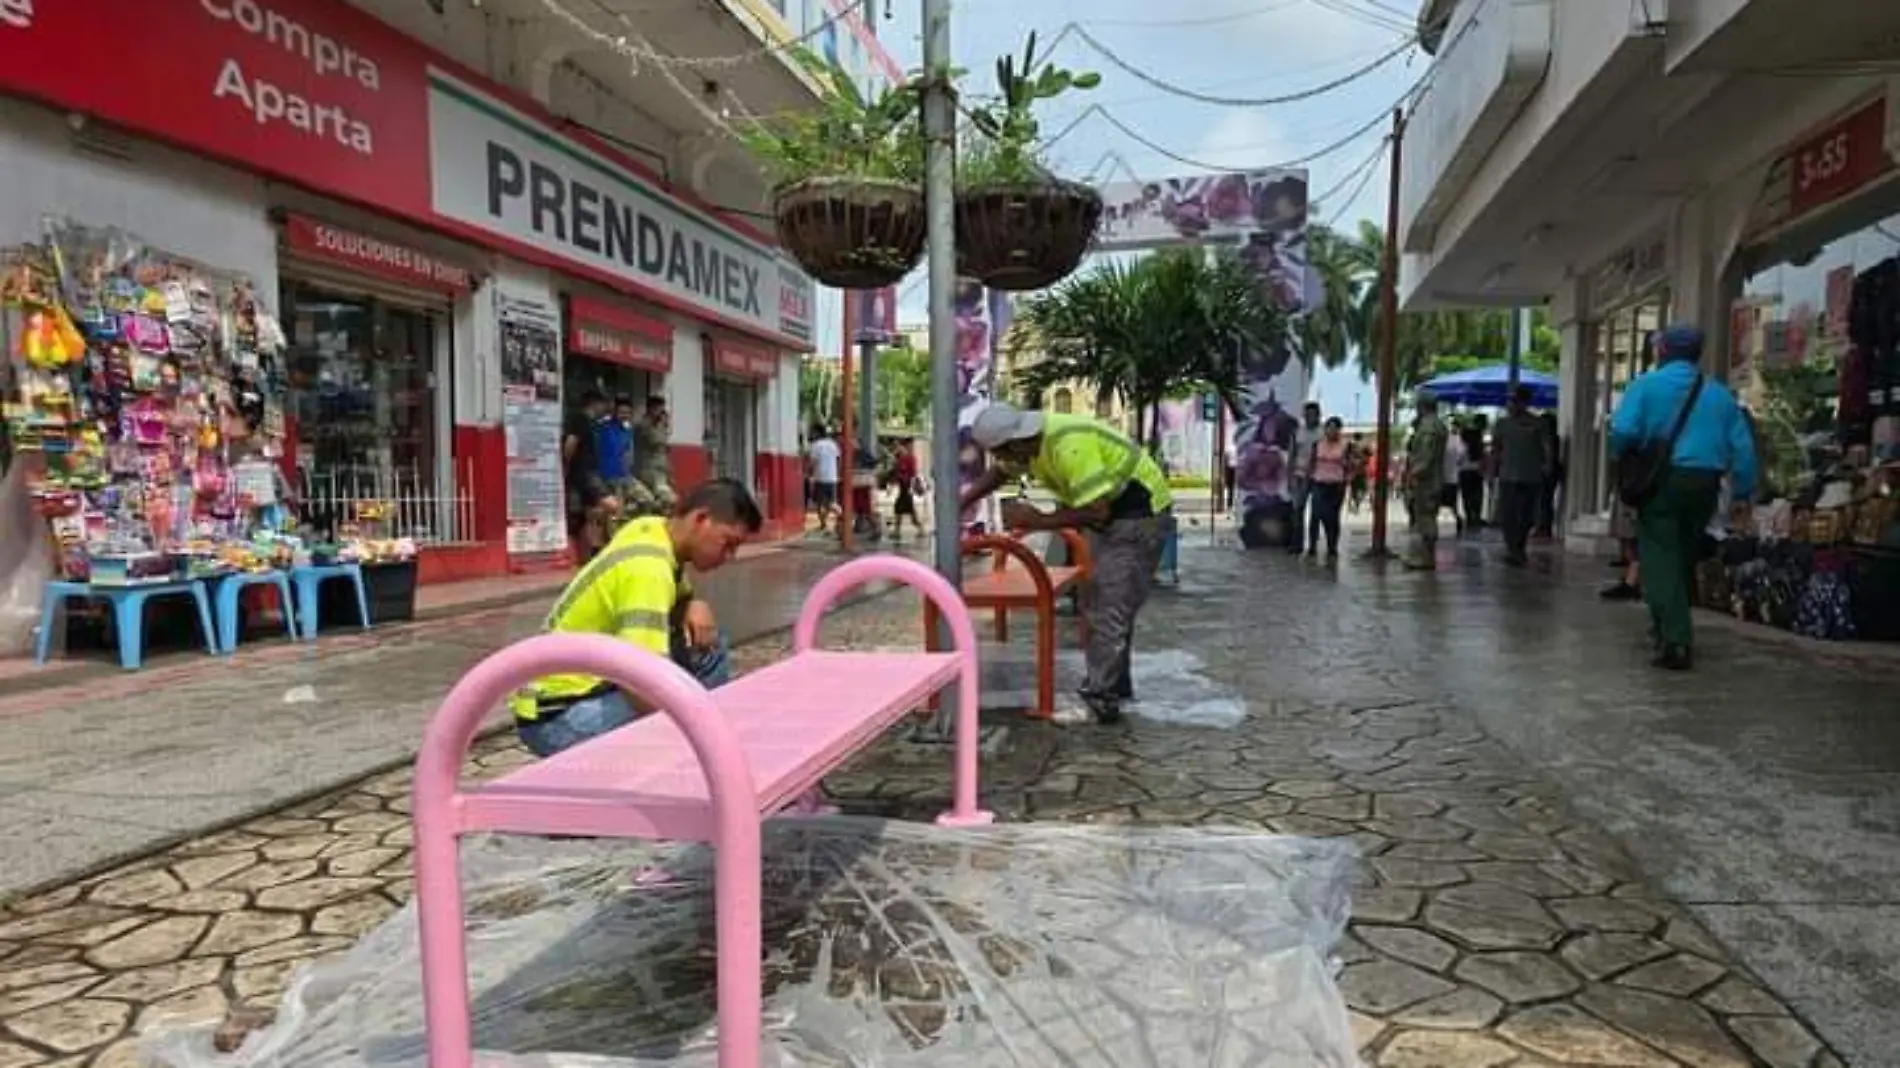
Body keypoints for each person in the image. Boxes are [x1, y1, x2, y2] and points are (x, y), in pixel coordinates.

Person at [511, 478, 763, 756]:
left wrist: (694, 603)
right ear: (701, 519)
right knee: (693, 697)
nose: (730, 556)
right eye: (728, 543)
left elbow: (678, 597)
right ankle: (699, 758)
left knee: (708, 649)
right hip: (560, 717)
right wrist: (699, 734)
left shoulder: (652, 529)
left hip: (554, 702)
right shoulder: (648, 570)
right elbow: (641, 685)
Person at [963, 402, 1173, 726]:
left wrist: (1039, 520)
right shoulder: (1027, 445)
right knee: (1097, 602)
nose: (1001, 461)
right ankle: (1114, 686)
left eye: (1002, 452)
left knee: (1109, 604)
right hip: (1109, 517)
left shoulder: (1069, 447)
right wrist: (963, 499)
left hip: (1138, 516)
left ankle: (1102, 696)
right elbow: (999, 473)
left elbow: (1098, 511)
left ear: (1018, 441)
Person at [1609, 324, 1758, 670]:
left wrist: (1629, 454)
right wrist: (1744, 490)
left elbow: (1623, 431)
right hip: (1705, 484)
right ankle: (1665, 626)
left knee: (1660, 559)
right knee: (1682, 558)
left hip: (1663, 481)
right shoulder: (1720, 394)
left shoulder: (1645, 386)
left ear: (1662, 352)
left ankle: (1676, 641)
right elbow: (1744, 449)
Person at [1493, 385, 1552, 566]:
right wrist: (1493, 467)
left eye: (1515, 401)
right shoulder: (1502, 424)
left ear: (1524, 403)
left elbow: (1547, 446)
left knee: (1526, 515)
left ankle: (1520, 547)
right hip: (1508, 475)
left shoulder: (1538, 423)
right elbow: (1496, 448)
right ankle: (1513, 549)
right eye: (1509, 401)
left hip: (1530, 475)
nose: (1510, 405)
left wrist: (1547, 465)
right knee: (1508, 515)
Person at [564, 390, 616, 562]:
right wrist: (567, 465)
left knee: (591, 513)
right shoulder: (579, 419)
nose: (604, 408)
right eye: (602, 404)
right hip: (584, 473)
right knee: (610, 505)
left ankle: (593, 552)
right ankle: (597, 550)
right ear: (593, 403)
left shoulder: (593, 423)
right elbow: (571, 442)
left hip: (589, 471)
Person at [1405, 393, 1450, 571]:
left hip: (1427, 479)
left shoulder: (1428, 427)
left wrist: (1414, 473)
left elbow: (1426, 454)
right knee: (1428, 516)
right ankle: (1426, 556)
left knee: (1426, 517)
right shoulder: (1439, 424)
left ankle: (1427, 557)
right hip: (1436, 476)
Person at [1306, 416, 1350, 560]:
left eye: (1335, 428)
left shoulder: (1345, 445)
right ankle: (1312, 546)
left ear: (1339, 430)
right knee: (1316, 515)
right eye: (1329, 428)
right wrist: (1309, 479)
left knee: (1332, 517)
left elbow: (1352, 464)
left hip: (1336, 485)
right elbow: (1311, 463)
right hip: (1319, 483)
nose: (1331, 431)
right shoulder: (1317, 444)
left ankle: (1332, 546)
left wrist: (1348, 477)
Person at [624, 396, 675, 517]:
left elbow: (663, 449)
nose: (661, 412)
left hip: (659, 472)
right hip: (646, 471)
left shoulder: (657, 425)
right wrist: (663, 425)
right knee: (665, 500)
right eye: (659, 409)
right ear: (652, 409)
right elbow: (656, 441)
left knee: (662, 503)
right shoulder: (644, 425)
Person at [1287, 401, 1322, 554]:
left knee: (1316, 512)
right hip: (1299, 476)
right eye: (1307, 415)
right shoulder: (1297, 433)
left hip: (1318, 477)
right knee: (1297, 511)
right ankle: (1297, 544)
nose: (1310, 417)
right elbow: (1291, 455)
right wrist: (1290, 476)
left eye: (1313, 415)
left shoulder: (1323, 433)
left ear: (1318, 415)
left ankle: (1313, 545)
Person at [806, 425, 841, 534]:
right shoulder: (833, 444)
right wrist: (837, 473)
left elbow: (813, 462)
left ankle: (825, 523)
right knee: (831, 502)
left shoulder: (815, 445)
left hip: (820, 477)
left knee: (820, 503)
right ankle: (834, 520)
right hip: (832, 477)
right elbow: (838, 460)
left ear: (817, 433)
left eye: (812, 432)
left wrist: (810, 475)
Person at [1457, 415, 1487, 531]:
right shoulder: (1479, 448)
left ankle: (1470, 518)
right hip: (1477, 473)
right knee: (1477, 496)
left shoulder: (1463, 447)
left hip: (1465, 473)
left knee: (1467, 497)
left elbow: (1459, 461)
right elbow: (1483, 461)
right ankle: (1477, 517)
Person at [890, 438, 922, 541]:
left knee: (902, 509)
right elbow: (897, 472)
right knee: (903, 509)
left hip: (906, 487)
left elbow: (912, 473)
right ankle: (898, 530)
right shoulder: (903, 458)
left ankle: (898, 531)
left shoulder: (909, 458)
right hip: (903, 487)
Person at [1441, 428, 1465, 535]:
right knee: (1452, 503)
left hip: (1442, 477)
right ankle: (1458, 520)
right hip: (1453, 477)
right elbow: (1462, 456)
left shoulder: (1442, 440)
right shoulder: (1458, 441)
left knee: (1436, 501)